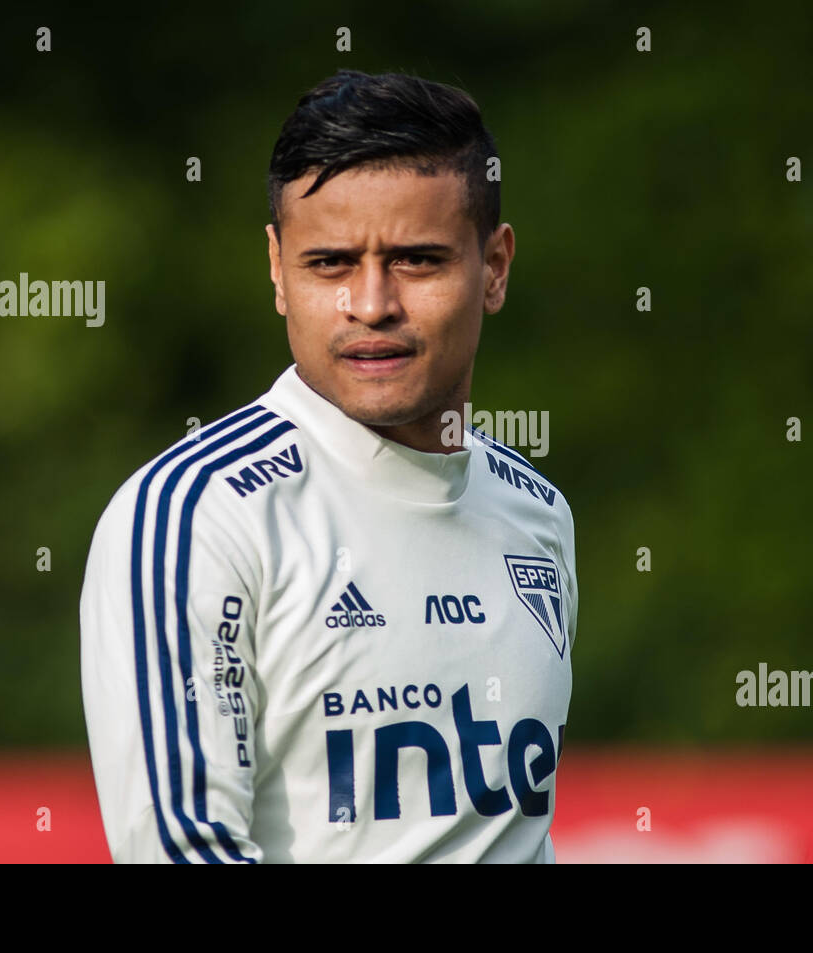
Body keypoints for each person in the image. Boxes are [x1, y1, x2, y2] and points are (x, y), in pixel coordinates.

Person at [79, 69, 577, 863]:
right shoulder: (195, 515)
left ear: (495, 266)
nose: (371, 303)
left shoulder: (538, 515)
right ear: (278, 268)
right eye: (331, 264)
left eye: (417, 260)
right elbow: (180, 851)